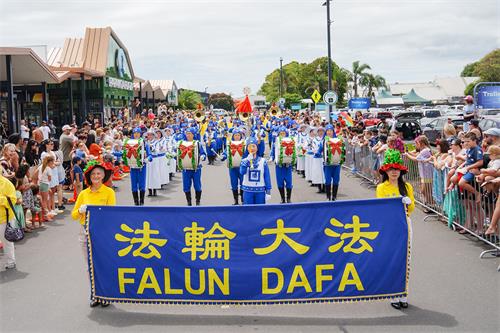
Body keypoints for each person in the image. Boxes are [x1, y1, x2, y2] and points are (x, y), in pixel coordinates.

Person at [71, 160, 115, 308]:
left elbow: (112, 214)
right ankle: (95, 294)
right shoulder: (83, 193)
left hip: (102, 233)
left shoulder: (109, 192)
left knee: (103, 264)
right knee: (90, 265)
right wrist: (80, 210)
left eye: (99, 174)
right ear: (89, 176)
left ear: (103, 176)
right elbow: (74, 215)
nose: (96, 176)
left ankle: (106, 294)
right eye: (93, 174)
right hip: (85, 232)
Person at [375, 149, 415, 310]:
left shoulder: (407, 187)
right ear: (386, 171)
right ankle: (393, 294)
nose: (394, 172)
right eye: (391, 170)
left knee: (406, 259)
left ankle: (403, 295)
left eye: (397, 169)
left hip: (405, 224)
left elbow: (411, 208)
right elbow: (380, 207)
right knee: (392, 260)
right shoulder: (381, 188)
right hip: (389, 227)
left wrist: (406, 202)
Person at [178, 127, 206, 206]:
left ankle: (198, 201)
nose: (188, 135)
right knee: (186, 186)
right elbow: (178, 153)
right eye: (187, 133)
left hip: (196, 169)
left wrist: (202, 157)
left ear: (193, 135)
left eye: (190, 133)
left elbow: (203, 153)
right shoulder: (182, 143)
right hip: (186, 169)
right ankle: (189, 202)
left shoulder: (197, 143)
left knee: (197, 185)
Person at [122, 127, 151, 206]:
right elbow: (124, 153)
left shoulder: (144, 143)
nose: (136, 134)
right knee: (133, 185)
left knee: (142, 185)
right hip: (133, 167)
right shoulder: (129, 143)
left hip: (142, 167)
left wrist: (147, 159)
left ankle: (142, 202)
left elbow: (150, 155)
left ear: (140, 134)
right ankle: (136, 202)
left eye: (138, 133)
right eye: (135, 133)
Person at [240, 137, 272, 204]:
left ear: (257, 148)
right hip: (247, 191)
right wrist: (247, 161)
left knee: (260, 211)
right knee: (248, 211)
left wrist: (268, 191)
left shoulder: (263, 161)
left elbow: (267, 176)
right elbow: (242, 172)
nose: (252, 149)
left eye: (254, 146)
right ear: (247, 149)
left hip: (260, 191)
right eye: (249, 147)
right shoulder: (244, 161)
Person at [269, 126, 295, 203]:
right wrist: (272, 158)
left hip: (287, 165)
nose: (282, 135)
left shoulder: (290, 141)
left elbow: (293, 152)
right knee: (280, 182)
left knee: (289, 182)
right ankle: (282, 198)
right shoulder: (276, 142)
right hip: (279, 166)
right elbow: (273, 152)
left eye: (283, 133)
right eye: (281, 133)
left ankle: (289, 198)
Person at [221, 128, 245, 205]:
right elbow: (225, 152)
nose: (237, 137)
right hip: (232, 168)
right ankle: (236, 201)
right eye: (235, 135)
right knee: (234, 184)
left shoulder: (244, 143)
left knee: (243, 183)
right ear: (233, 136)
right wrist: (223, 156)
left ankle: (243, 200)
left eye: (238, 135)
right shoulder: (229, 144)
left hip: (242, 168)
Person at [0, 166, 18, 270]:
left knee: (6, 241)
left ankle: (11, 261)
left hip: (4, 218)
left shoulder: (6, 184)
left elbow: (13, 200)